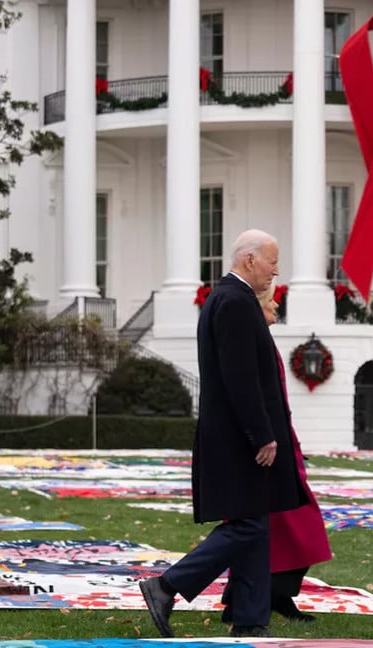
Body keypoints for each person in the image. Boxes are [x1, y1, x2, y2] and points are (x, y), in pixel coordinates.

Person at [138, 230, 307, 639]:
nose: (276, 270)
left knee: (256, 521)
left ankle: (249, 619)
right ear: (249, 260)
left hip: (235, 435)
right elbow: (240, 378)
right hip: (238, 439)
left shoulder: (231, 299)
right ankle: (167, 585)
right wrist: (261, 434)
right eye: (272, 261)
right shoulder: (234, 302)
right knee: (248, 525)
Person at [220, 282, 333, 624]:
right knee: (292, 527)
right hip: (266, 451)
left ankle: (266, 596)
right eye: (272, 306)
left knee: (290, 528)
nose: (276, 311)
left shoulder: (265, 342)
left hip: (279, 446)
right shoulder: (256, 341)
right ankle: (259, 597)